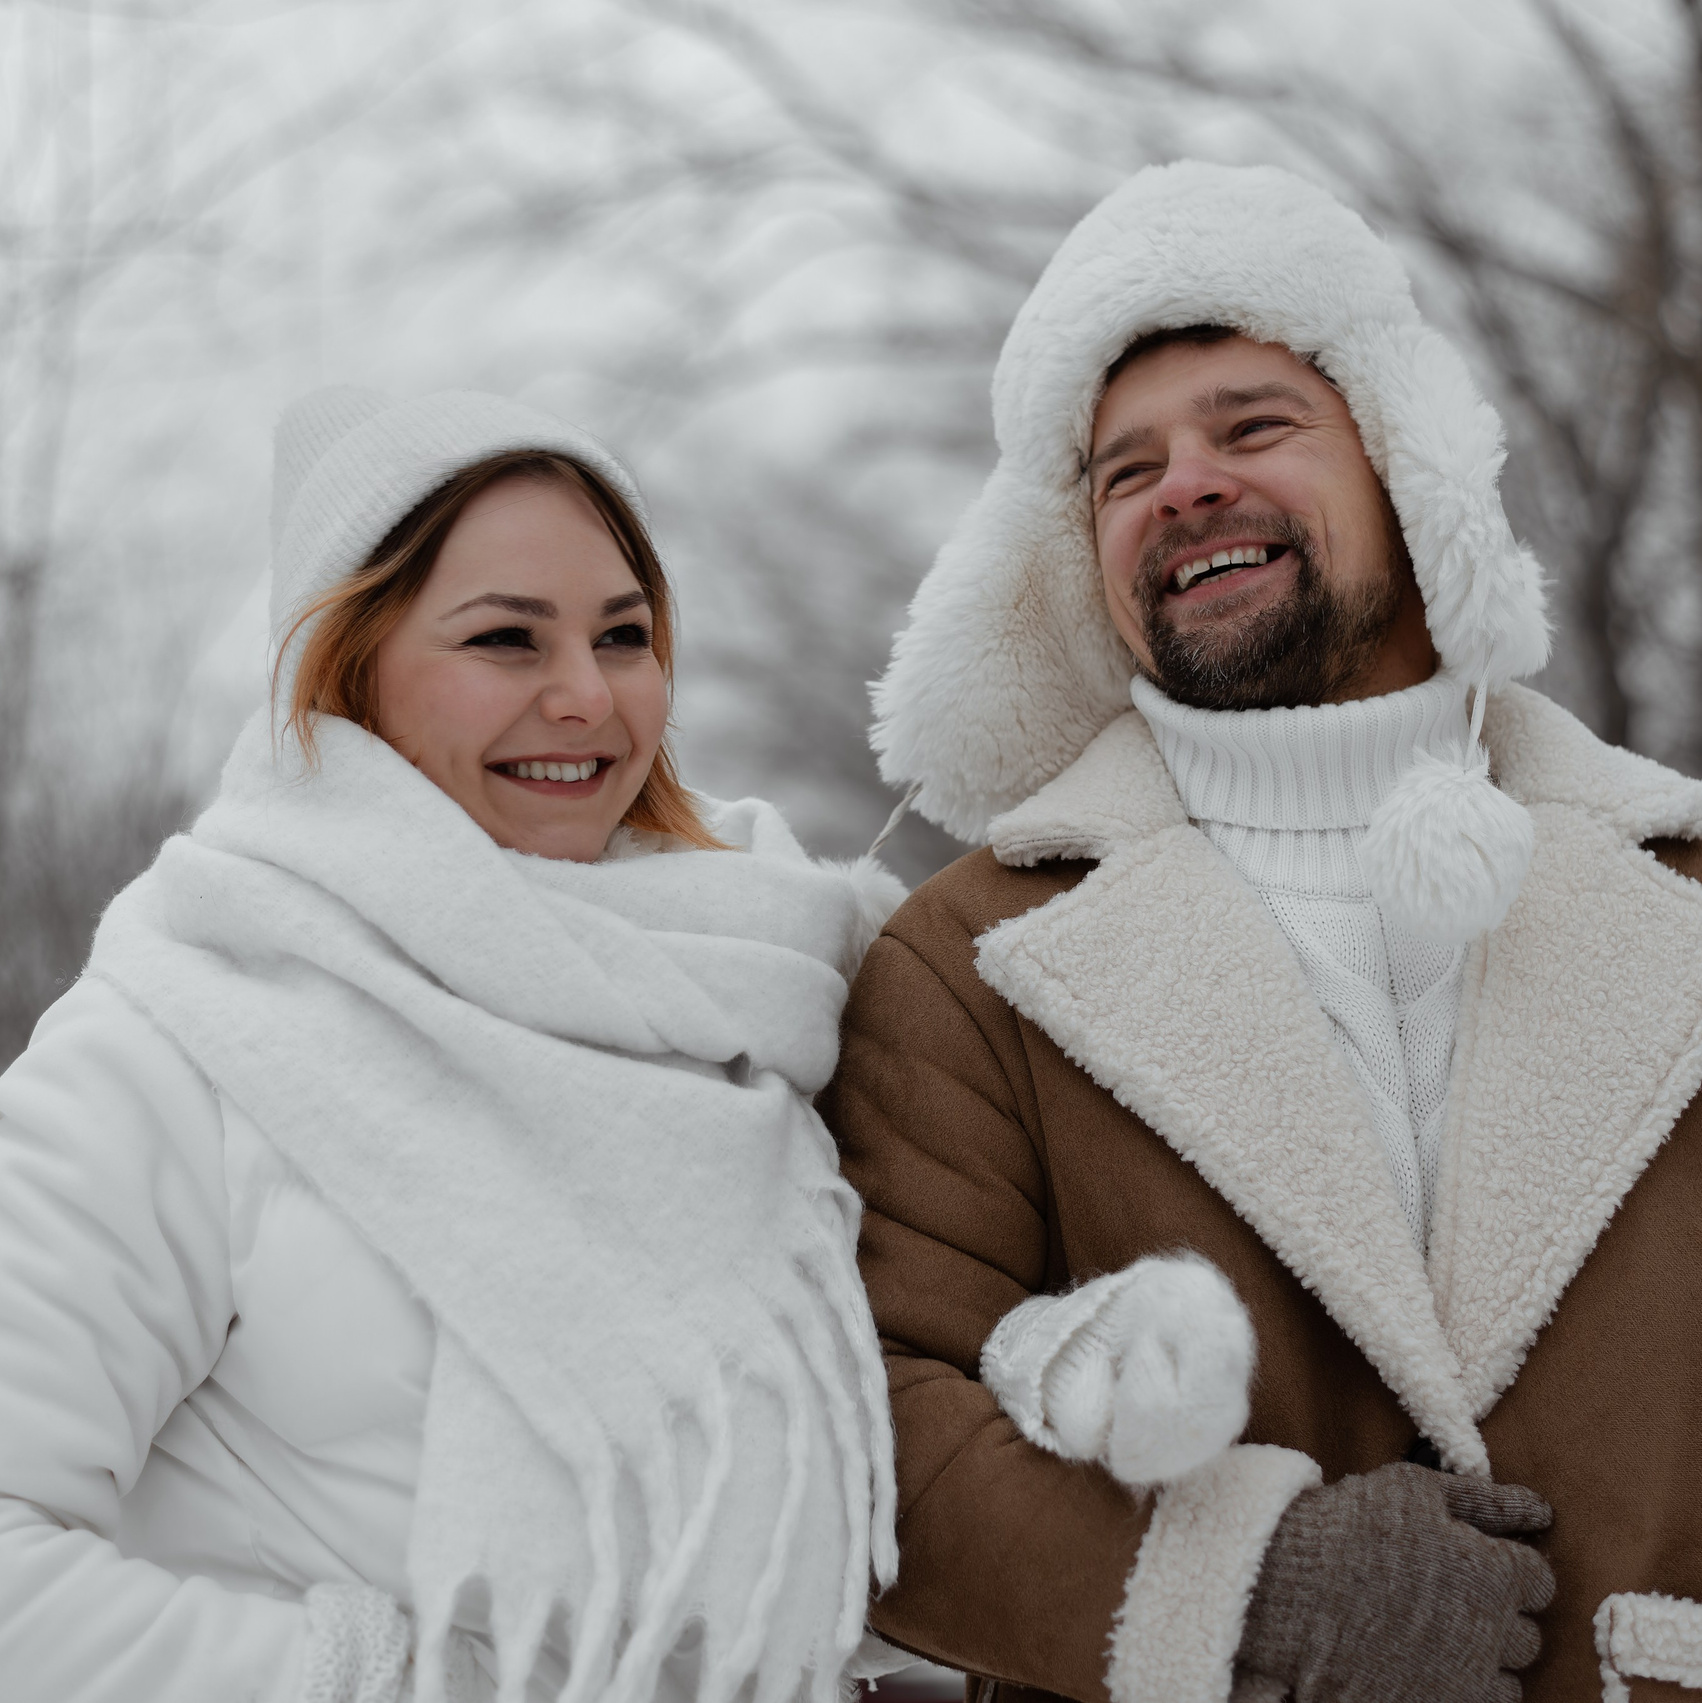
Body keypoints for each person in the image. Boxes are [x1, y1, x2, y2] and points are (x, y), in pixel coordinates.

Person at [821, 161, 1702, 1703]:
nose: (1183, 487)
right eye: (1125, 470)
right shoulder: (969, 963)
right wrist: (1246, 1586)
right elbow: (860, 1417)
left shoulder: (1681, 891)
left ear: (1405, 467)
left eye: (1251, 428)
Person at [0, 385, 907, 1703]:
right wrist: (380, 1686)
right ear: (346, 667)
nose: (585, 696)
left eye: (623, 635)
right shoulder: (185, 1033)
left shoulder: (762, 993)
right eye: (505, 640)